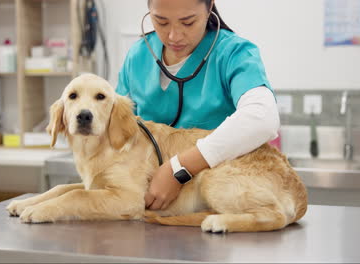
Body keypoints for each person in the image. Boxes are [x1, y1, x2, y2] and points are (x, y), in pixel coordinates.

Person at [116, 0, 280, 211]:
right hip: (152, 208)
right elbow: (119, 129)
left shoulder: (233, 53)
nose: (174, 36)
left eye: (188, 22)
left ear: (209, 7)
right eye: (161, 21)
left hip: (215, 204)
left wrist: (179, 169)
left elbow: (262, 119)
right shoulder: (138, 56)